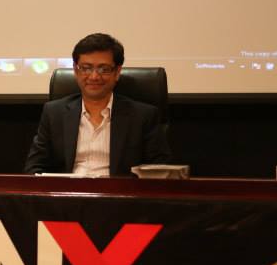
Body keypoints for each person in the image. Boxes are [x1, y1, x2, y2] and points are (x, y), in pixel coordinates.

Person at [24, 32, 172, 176]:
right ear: (76, 70)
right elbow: (34, 167)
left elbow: (159, 171)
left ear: (117, 72)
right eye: (86, 68)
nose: (94, 76)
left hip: (118, 191)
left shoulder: (143, 116)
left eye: (104, 69)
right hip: (68, 191)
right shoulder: (54, 113)